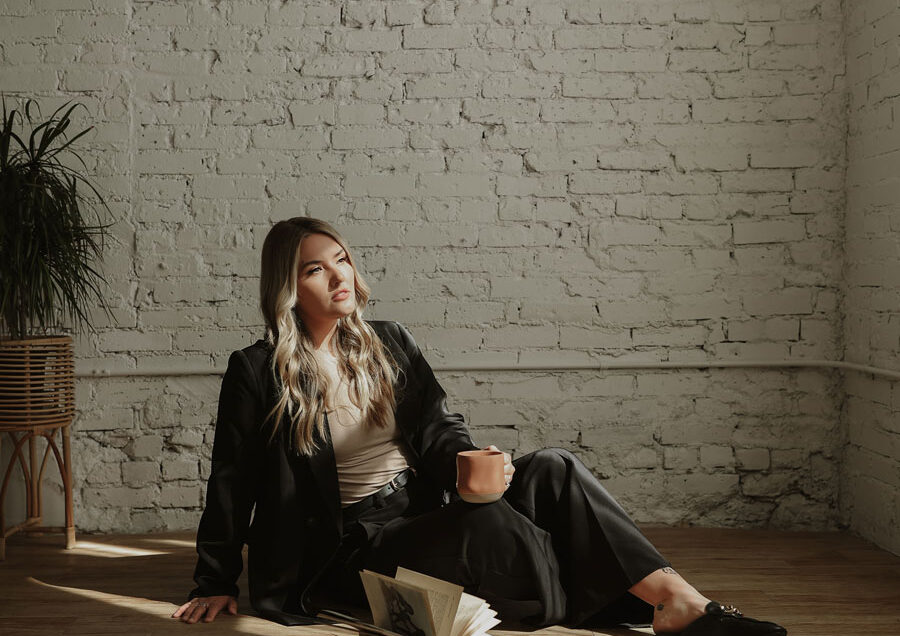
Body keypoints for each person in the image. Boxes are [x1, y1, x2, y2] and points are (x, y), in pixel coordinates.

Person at [172, 217, 786, 636]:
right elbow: (232, 478)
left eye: (342, 260)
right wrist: (215, 578)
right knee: (498, 529)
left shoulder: (390, 343)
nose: (338, 277)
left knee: (554, 467)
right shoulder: (257, 369)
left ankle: (681, 601)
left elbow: (439, 427)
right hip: (353, 546)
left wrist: (473, 461)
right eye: (314, 270)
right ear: (287, 285)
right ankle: (645, 598)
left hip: (418, 512)